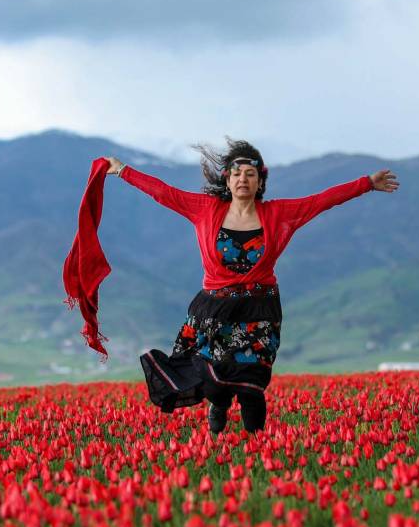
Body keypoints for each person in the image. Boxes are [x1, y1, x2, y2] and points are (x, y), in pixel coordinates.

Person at [106, 139, 398, 434]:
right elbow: (163, 193)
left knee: (252, 385)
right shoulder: (206, 209)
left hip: (259, 311)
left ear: (260, 181)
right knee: (215, 383)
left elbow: (323, 200)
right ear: (227, 179)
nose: (243, 179)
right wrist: (122, 170)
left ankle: (256, 448)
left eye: (250, 174)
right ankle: (217, 406)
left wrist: (367, 183)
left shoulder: (278, 214)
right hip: (214, 312)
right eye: (237, 174)